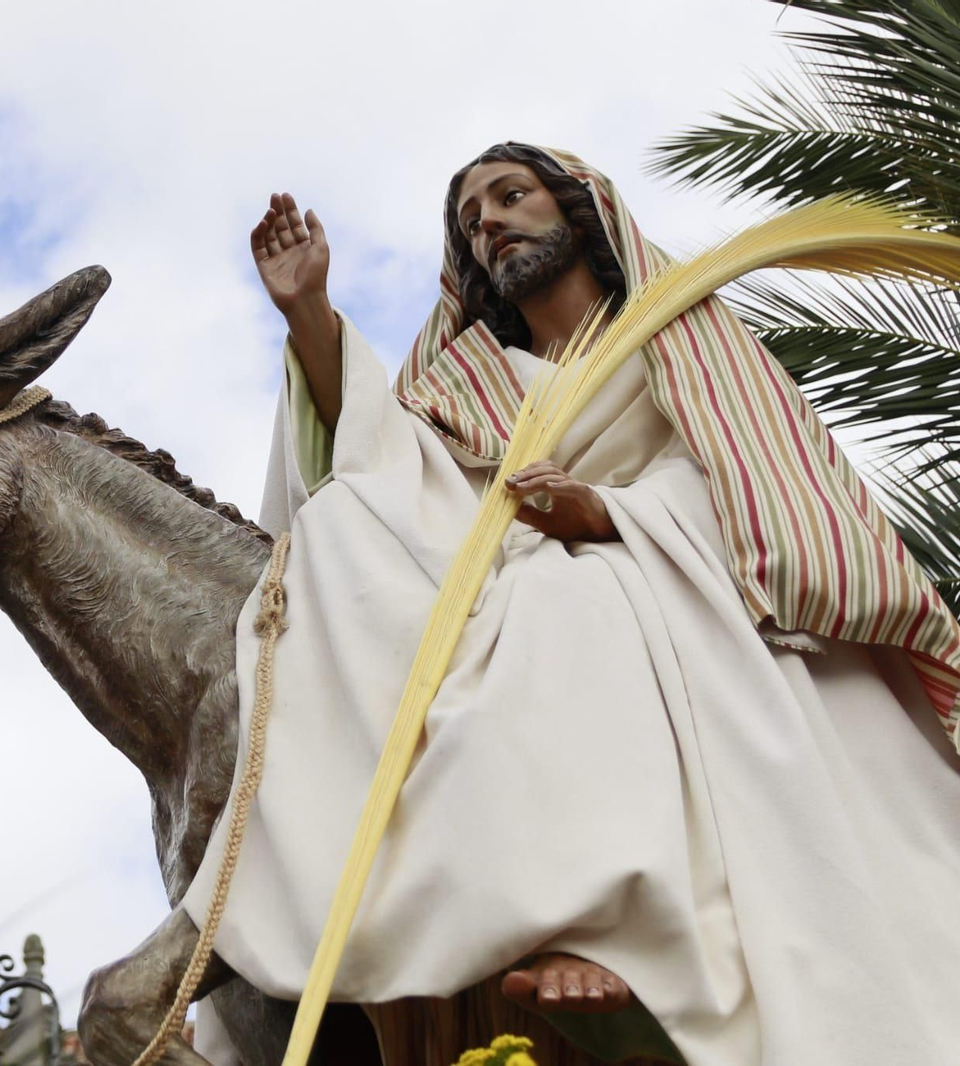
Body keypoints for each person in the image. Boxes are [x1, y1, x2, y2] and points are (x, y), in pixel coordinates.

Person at [181, 144, 960, 1064]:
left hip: (680, 569)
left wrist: (609, 515)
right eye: (473, 221)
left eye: (511, 197)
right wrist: (309, 310)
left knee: (564, 604)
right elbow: (379, 462)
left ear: (580, 211)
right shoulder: (471, 381)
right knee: (356, 521)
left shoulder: (686, 333)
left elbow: (765, 485)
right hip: (510, 573)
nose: (491, 223)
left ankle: (607, 922)